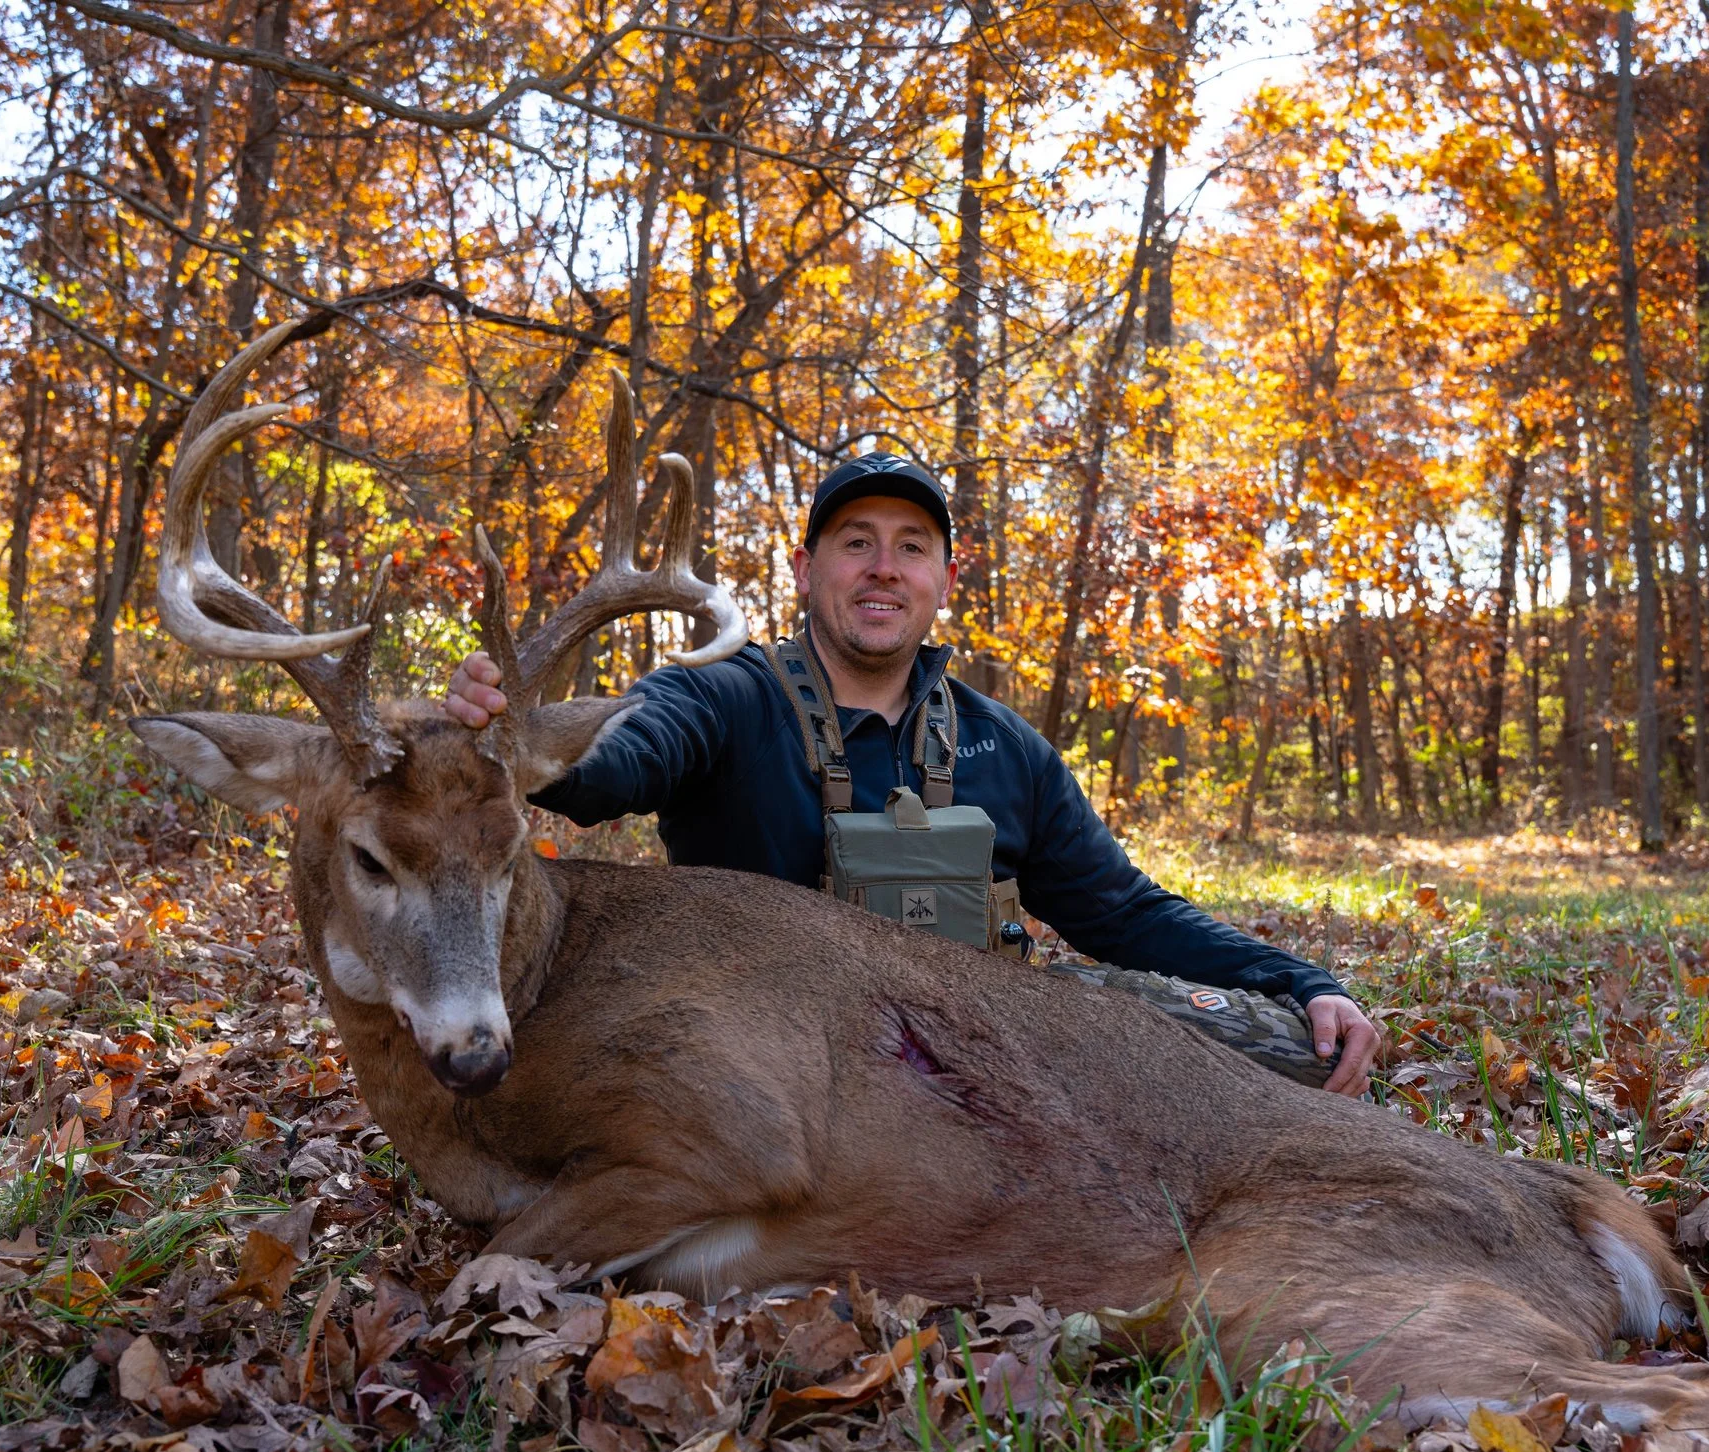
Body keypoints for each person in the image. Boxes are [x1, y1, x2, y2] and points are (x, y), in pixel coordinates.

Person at [444, 451, 1382, 1095]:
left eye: (911, 546)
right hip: (763, 1059)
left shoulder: (1000, 745)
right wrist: (520, 740)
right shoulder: (725, 698)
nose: (882, 569)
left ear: (944, 576)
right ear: (808, 568)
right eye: (856, 542)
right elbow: (619, 763)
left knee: (1283, 1057)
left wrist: (1300, 982)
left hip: (967, 1056)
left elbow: (1123, 912)